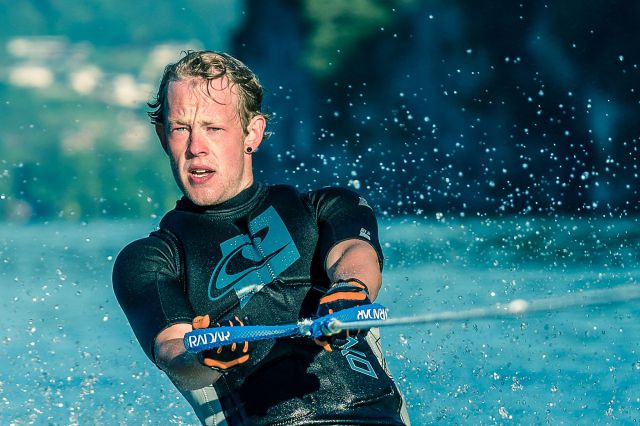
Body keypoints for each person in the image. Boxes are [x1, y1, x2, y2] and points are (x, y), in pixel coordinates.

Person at [112, 50, 410, 425]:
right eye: (180, 128)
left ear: (251, 132)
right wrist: (202, 354)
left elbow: (354, 251)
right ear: (162, 135)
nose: (195, 147)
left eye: (213, 128)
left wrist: (351, 288)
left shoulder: (326, 208)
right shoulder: (149, 260)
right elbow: (173, 350)